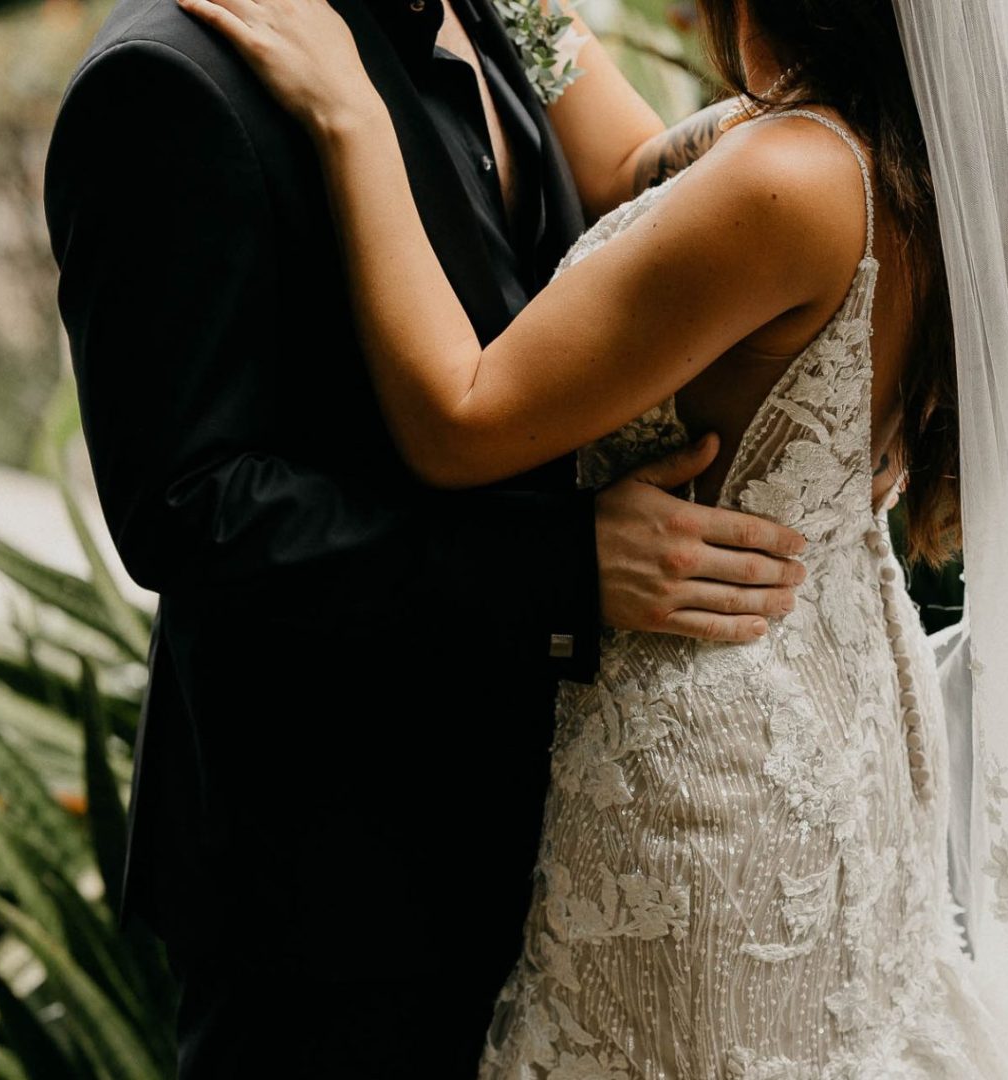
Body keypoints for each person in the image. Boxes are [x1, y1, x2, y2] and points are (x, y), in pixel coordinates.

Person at [180, 0, 1008, 1075]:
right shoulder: (887, 147)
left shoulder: (789, 176)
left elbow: (459, 419)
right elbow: (638, 173)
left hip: (715, 761)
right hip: (837, 719)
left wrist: (350, 116)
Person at [40, 0, 816, 1074]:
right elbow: (193, 509)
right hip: (337, 889)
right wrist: (563, 568)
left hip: (564, 850)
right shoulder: (168, 81)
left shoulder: (487, 19)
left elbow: (627, 193)